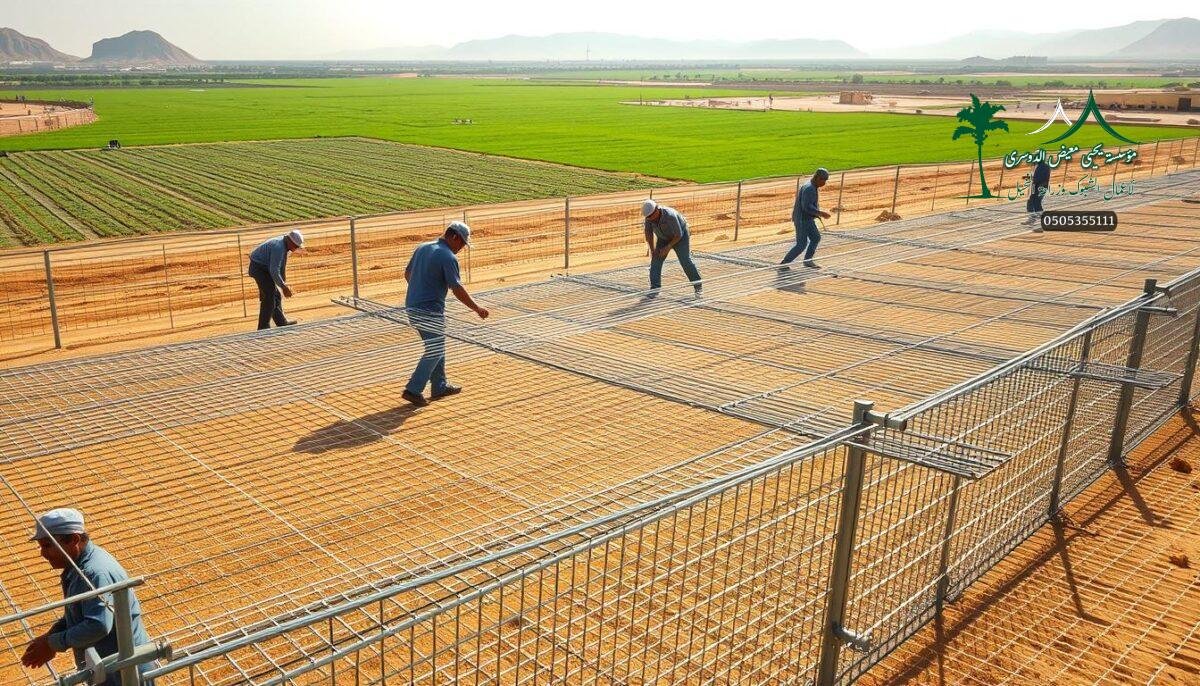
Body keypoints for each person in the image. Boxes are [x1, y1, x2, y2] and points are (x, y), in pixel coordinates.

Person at [21, 508, 154, 686]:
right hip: (114, 670)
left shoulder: (93, 573)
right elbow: (79, 614)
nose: (42, 553)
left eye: (47, 545)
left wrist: (53, 644)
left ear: (74, 539)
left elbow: (98, 625)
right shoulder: (80, 566)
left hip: (124, 675)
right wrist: (50, 637)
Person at [402, 222, 489, 407]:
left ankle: (439, 385)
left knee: (436, 345)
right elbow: (456, 288)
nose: (462, 248)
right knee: (435, 349)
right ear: (455, 237)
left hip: (412, 307)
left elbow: (408, 273)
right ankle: (413, 389)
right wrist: (477, 308)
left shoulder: (423, 247)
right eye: (463, 243)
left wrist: (420, 288)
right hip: (430, 310)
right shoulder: (448, 256)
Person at [641, 200, 703, 296]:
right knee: (656, 260)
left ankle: (697, 286)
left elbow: (678, 234)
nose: (649, 219)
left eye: (651, 216)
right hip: (663, 238)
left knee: (685, 260)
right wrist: (653, 250)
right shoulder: (649, 218)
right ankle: (654, 289)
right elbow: (648, 234)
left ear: (657, 210)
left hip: (680, 237)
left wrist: (668, 247)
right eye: (648, 217)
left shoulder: (670, 215)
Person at [248, 229, 304, 330]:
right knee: (269, 296)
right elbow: (274, 270)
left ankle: (281, 323)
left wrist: (284, 285)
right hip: (258, 268)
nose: (295, 249)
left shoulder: (285, 246)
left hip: (265, 267)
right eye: (295, 246)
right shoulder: (278, 247)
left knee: (276, 295)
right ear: (290, 241)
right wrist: (283, 286)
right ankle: (263, 328)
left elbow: (281, 267)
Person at [782, 168, 832, 269]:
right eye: (823, 180)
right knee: (801, 244)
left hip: (807, 218)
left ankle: (808, 261)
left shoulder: (812, 186)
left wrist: (817, 213)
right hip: (802, 219)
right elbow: (807, 207)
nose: (824, 183)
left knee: (815, 237)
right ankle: (784, 263)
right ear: (817, 178)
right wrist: (820, 213)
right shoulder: (809, 188)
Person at [1026, 159, 1051, 232]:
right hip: (1037, 187)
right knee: (1030, 201)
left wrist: (1033, 179)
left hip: (1041, 187)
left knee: (1037, 203)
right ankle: (1032, 219)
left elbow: (1040, 178)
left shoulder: (1044, 167)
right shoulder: (1039, 166)